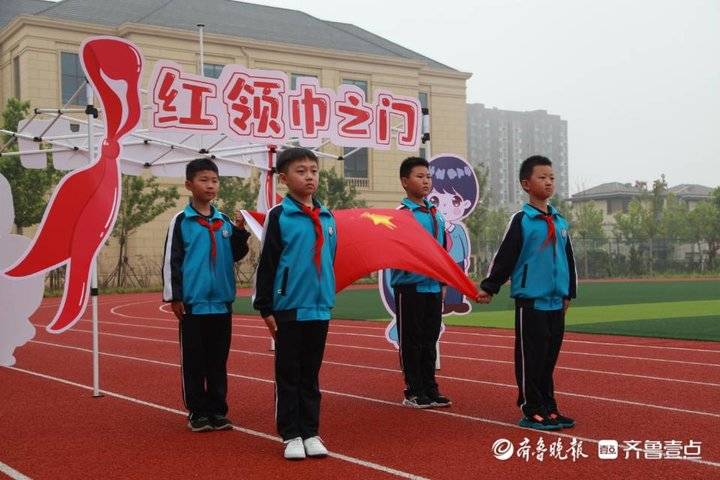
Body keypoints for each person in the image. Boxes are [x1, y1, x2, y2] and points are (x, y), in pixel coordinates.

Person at [478, 155, 577, 431]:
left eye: (552, 178)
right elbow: (505, 257)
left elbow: (568, 259)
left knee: (548, 359)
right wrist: (490, 286)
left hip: (555, 302)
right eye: (542, 177)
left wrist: (569, 292)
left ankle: (549, 406)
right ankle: (531, 408)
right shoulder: (522, 220)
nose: (548, 182)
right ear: (526, 183)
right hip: (531, 301)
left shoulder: (559, 221)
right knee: (531, 358)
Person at [253, 147, 337, 460]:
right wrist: (266, 307)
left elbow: (331, 257)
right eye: (301, 171)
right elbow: (268, 263)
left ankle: (311, 431)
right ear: (285, 178)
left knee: (311, 374)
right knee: (289, 372)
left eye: (313, 170)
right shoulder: (279, 216)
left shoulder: (327, 217)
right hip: (289, 307)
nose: (309, 176)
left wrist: (325, 292)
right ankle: (291, 434)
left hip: (319, 307)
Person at [162, 158, 250, 432]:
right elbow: (171, 260)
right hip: (194, 305)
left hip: (222, 304)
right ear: (189, 185)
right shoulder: (181, 222)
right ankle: (197, 412)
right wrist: (175, 296)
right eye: (204, 180)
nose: (210, 185)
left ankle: (218, 410)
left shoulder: (223, 222)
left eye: (214, 180)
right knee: (194, 361)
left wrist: (239, 233)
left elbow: (235, 255)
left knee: (217, 360)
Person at [391, 156, 452, 409]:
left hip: (433, 286)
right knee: (412, 339)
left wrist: (445, 279)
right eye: (419, 176)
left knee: (429, 339)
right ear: (405, 181)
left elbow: (442, 250)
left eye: (428, 177)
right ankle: (413, 390)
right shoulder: (402, 215)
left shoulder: (435, 214)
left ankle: (430, 387)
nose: (426, 181)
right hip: (410, 285)